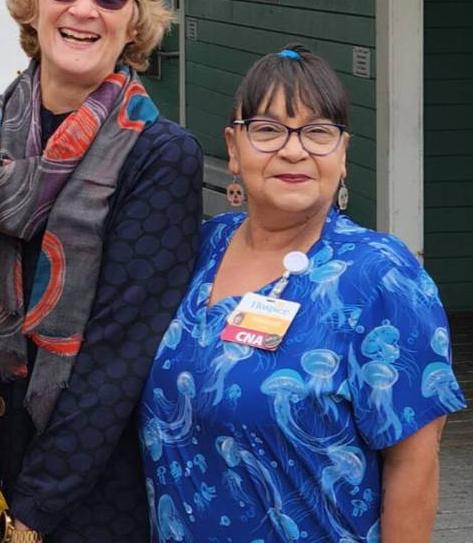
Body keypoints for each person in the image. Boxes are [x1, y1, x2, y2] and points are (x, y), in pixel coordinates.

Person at [0, 0, 204, 542]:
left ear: (132, 22)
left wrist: (33, 511)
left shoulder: (160, 156)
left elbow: (120, 352)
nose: (84, 8)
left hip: (90, 484)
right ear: (34, 4)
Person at [137, 45, 466, 542]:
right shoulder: (199, 248)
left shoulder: (380, 276)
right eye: (267, 130)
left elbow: (414, 462)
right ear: (233, 147)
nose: (294, 150)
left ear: (343, 154)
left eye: (318, 132)